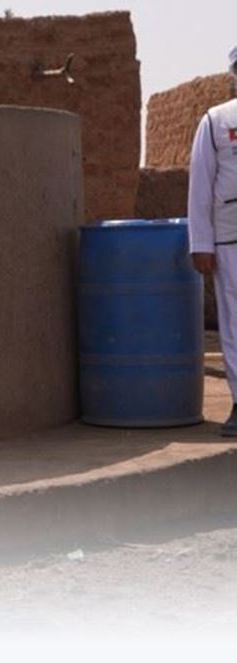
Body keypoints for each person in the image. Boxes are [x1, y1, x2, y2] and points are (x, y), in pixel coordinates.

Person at [189, 45, 237, 437]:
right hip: (229, 239)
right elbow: (201, 185)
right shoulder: (217, 120)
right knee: (235, 323)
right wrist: (201, 242)